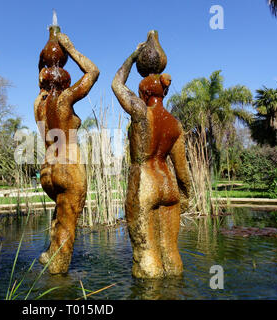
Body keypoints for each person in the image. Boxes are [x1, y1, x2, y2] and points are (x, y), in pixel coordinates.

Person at [111, 31, 191, 278]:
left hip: (145, 182)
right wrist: (185, 196)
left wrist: (133, 56)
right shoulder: (175, 124)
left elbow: (116, 84)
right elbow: (182, 170)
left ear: (143, 93)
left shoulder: (140, 112)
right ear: (163, 92)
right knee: (171, 254)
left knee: (147, 259)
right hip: (168, 186)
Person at [35, 26, 99, 274]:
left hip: (47, 171)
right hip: (68, 168)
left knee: (59, 216)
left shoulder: (38, 104)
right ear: (64, 78)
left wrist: (44, 56)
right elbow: (93, 72)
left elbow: (41, 78)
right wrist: (69, 48)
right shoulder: (64, 99)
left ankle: (49, 257)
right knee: (68, 227)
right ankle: (58, 282)